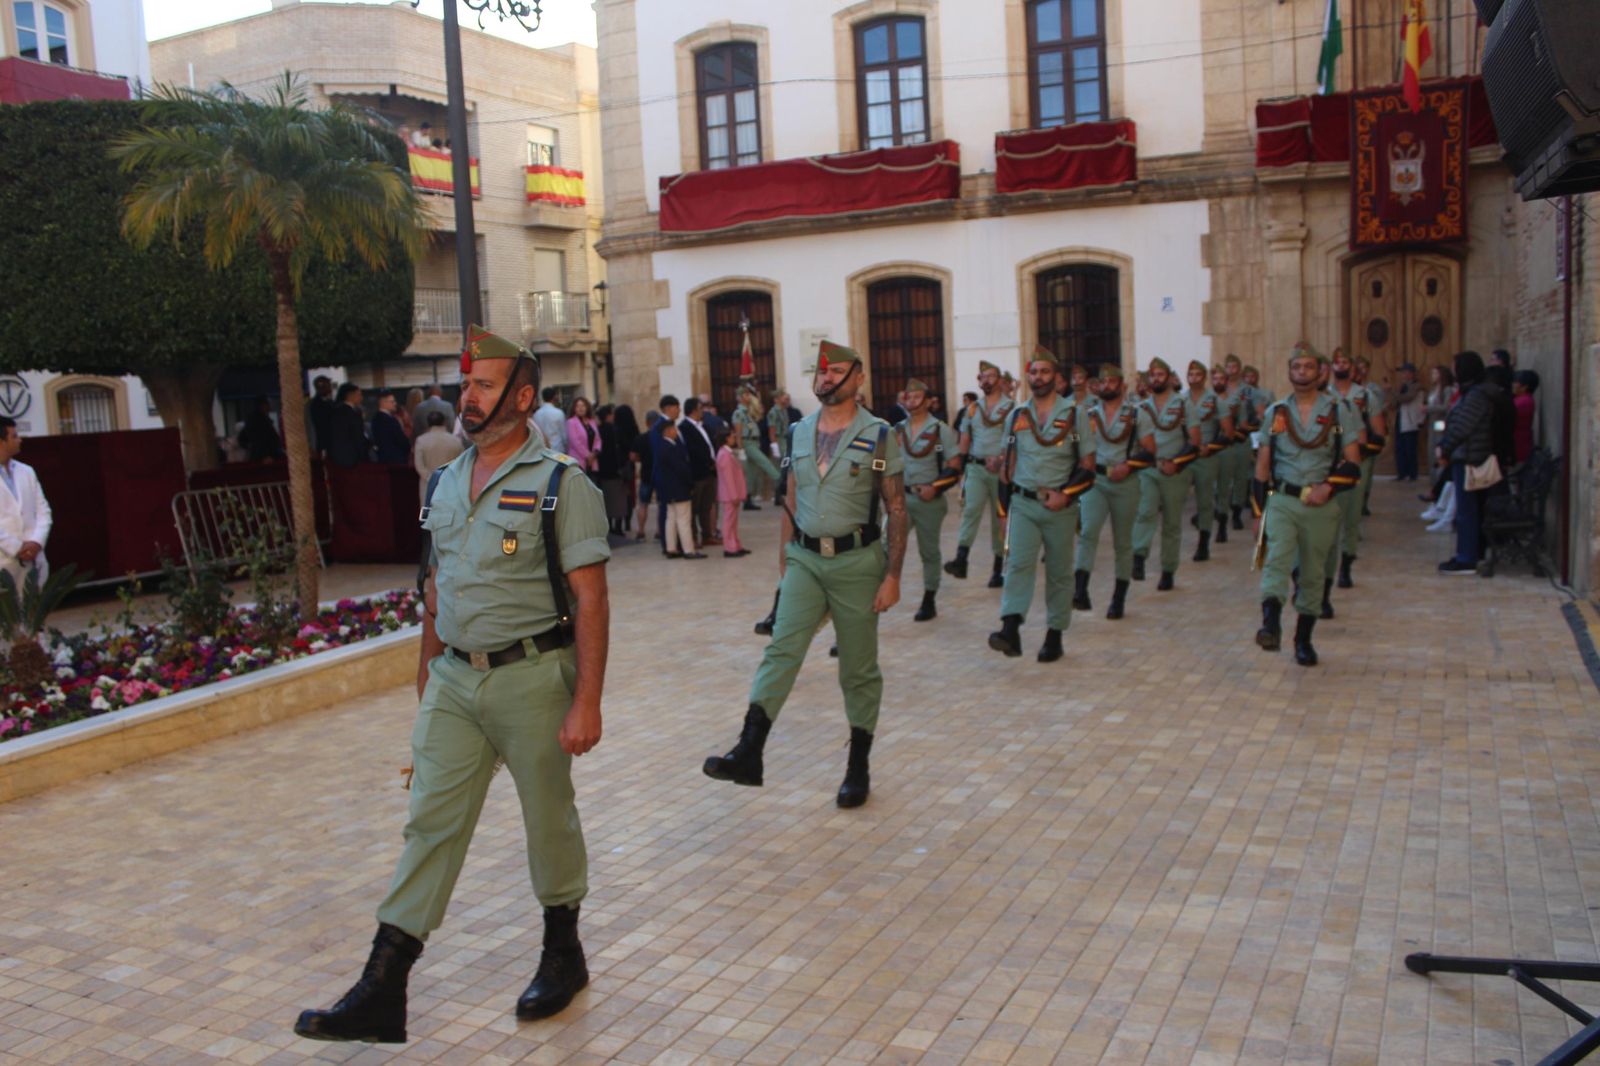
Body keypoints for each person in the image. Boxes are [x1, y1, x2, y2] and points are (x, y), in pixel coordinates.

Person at [294, 326, 610, 1043]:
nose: (468, 395)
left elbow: (591, 598)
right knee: (429, 823)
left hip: (533, 676)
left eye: (485, 384)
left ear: (523, 397)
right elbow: (435, 586)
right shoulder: (442, 481)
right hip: (454, 680)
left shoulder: (563, 484)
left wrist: (587, 700)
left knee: (546, 818)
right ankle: (383, 985)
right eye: (466, 383)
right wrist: (425, 679)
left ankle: (563, 953)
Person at [703, 340, 906, 809]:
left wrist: (893, 575)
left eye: (837, 371)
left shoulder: (879, 434)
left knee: (857, 669)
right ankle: (749, 750)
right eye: (821, 370)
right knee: (780, 649)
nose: (826, 377)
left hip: (859, 563)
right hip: (805, 561)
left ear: (858, 379)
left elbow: (896, 507)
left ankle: (858, 765)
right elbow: (791, 498)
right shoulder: (798, 432)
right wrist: (783, 562)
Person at [1250, 347, 1364, 667]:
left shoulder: (1340, 411)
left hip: (1320, 502)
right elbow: (1262, 466)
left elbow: (1353, 464)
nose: (1302, 372)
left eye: (1308, 366)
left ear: (1321, 372)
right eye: (1296, 366)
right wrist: (1259, 512)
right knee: (1277, 559)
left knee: (1313, 572)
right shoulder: (1276, 413)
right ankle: (1270, 624)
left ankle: (1303, 639)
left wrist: (1328, 486)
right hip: (1284, 498)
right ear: (1289, 372)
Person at [989, 347, 1094, 663]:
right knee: (1017, 564)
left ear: (1057, 378)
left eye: (1045, 372)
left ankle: (1055, 635)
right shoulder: (1016, 416)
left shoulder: (1075, 415)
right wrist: (1003, 511)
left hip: (1060, 507)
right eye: (1033, 372)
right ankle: (1011, 629)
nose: (1038, 378)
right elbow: (1008, 469)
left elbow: (1088, 467)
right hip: (1023, 502)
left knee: (1060, 573)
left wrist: (1066, 495)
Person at [1074, 365, 1142, 620]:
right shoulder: (1088, 415)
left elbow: (1150, 449)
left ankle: (1118, 597)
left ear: (1122, 386)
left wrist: (1129, 466)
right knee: (1088, 532)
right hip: (1096, 480)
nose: (1106, 386)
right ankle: (1080, 590)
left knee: (1123, 542)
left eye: (1112, 382)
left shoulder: (1136, 414)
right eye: (1102, 382)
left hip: (1125, 483)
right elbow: (1078, 447)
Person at [1130, 358, 1201, 589]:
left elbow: (1195, 441)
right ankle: (1138, 556)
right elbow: (1135, 442)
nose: (1156, 379)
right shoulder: (1141, 407)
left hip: (1175, 471)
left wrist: (1177, 463)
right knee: (1145, 511)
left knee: (1171, 523)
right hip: (1149, 470)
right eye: (1153, 375)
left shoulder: (1184, 405)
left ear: (1170, 378)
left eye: (1161, 375)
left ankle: (1168, 569)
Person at [895, 378, 960, 622]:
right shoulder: (897, 430)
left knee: (929, 551)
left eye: (916, 396)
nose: (911, 401)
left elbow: (954, 467)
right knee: (885, 546)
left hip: (929, 502)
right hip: (902, 499)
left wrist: (935, 487)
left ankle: (929, 599)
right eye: (908, 397)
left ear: (928, 400)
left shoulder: (940, 429)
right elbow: (885, 460)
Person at [945, 361, 1015, 588]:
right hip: (976, 467)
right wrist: (957, 469)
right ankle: (961, 558)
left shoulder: (1012, 408)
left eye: (991, 376)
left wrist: (1003, 460)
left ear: (1000, 380)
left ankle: (998, 570)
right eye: (983, 377)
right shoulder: (972, 409)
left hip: (1001, 471)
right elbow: (964, 440)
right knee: (970, 511)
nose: (986, 380)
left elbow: (1016, 441)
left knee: (1000, 518)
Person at [1435, 350, 1500, 575]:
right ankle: (1469, 553)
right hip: (1465, 455)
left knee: (1467, 510)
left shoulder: (1476, 396)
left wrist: (1445, 447)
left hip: (1470, 457)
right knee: (1467, 509)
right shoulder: (1472, 393)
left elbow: (1462, 425)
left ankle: (1467, 557)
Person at [1325, 348, 1385, 592]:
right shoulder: (1323, 395)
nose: (1340, 365)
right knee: (1328, 519)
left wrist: (1357, 455)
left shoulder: (1365, 395)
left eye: (1345, 361)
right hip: (1327, 463)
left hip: (1357, 459)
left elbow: (1378, 432)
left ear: (1352, 367)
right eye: (1336, 361)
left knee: (1351, 516)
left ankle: (1347, 563)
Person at [1181, 359, 1232, 563]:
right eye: (1190, 374)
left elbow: (1228, 432)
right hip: (1184, 455)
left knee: (1204, 500)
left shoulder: (1215, 401)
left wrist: (1210, 447)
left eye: (1197, 374)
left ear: (1204, 378)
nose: (1193, 378)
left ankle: (1203, 543)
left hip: (1205, 455)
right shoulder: (1180, 400)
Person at [0, 416, 51, 591]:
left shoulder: (26, 471)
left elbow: (43, 511)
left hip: (34, 558)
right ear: (2, 442)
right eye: (14, 436)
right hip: (5, 561)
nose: (19, 439)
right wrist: (16, 548)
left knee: (33, 614)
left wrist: (36, 542)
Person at [653, 419, 699, 558]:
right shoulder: (671, 448)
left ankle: (671, 548)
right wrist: (690, 484)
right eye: (674, 429)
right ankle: (688, 550)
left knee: (671, 519)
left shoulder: (661, 447)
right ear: (667, 431)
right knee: (684, 519)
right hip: (679, 489)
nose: (676, 431)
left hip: (668, 490)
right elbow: (681, 469)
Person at [1207, 363, 1242, 547]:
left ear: (1227, 381)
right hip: (1208, 449)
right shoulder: (1206, 400)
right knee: (1210, 488)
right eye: (1215, 379)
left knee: (1223, 487)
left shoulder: (1233, 400)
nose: (1218, 382)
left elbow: (1235, 423)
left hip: (1226, 448)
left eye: (1221, 379)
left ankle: (1222, 523)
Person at [679, 397, 719, 548]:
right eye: (700, 408)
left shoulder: (704, 426)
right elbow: (692, 451)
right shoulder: (684, 428)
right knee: (694, 508)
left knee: (706, 507)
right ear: (694, 410)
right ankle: (693, 538)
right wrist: (707, 462)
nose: (703, 411)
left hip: (709, 472)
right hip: (697, 473)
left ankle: (707, 535)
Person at [734, 385, 779, 510]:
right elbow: (738, 432)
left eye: (748, 394)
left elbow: (759, 411)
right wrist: (741, 449)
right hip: (747, 443)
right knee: (765, 462)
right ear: (739, 397)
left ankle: (748, 499)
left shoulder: (748, 412)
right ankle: (781, 481)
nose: (748, 397)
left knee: (751, 473)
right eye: (745, 395)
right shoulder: (739, 413)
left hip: (754, 442)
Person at [413, 410, 465, 505]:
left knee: (428, 514)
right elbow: (462, 463)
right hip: (451, 483)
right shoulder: (455, 441)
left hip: (428, 484)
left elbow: (419, 465)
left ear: (428, 423)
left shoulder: (421, 440)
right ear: (444, 422)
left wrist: (431, 478)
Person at [715, 425, 751, 557]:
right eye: (731, 436)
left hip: (732, 494)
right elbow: (728, 478)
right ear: (726, 439)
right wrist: (734, 495)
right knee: (729, 521)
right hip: (730, 495)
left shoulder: (728, 453)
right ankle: (729, 547)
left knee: (733, 521)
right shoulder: (724, 455)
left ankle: (735, 544)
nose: (734, 438)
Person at [326, 383, 370, 468]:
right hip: (351, 458)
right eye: (359, 395)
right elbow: (356, 436)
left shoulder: (338, 411)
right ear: (350, 395)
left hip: (343, 457)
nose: (361, 398)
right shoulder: (348, 413)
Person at [1392, 363, 1425, 481]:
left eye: (1405, 372)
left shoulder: (1417, 386)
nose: (1403, 375)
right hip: (1400, 420)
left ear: (1411, 373)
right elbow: (1395, 402)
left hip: (1411, 421)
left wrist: (1392, 392)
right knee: (1400, 448)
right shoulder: (1402, 386)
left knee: (1410, 449)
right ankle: (1402, 473)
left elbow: (1407, 398)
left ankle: (1412, 474)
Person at [631, 410, 657, 542]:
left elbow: (633, 457)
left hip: (646, 474)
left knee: (643, 504)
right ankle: (659, 530)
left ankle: (641, 530)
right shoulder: (661, 438)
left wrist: (641, 459)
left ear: (647, 423)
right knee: (661, 503)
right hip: (659, 474)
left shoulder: (640, 438)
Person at [239, 396, 284, 463]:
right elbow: (260, 439)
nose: (269, 406)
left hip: (264, 455)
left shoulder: (259, 419)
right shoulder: (258, 421)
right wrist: (264, 455)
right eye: (268, 404)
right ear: (263, 405)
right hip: (265, 457)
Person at [565, 396, 601, 478]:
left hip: (593, 461)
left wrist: (594, 454)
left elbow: (598, 440)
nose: (581, 408)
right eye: (578, 406)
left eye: (583, 406)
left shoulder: (592, 421)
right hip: (579, 460)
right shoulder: (571, 422)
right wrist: (588, 456)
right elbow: (575, 442)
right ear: (574, 409)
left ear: (587, 407)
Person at [372, 391, 411, 465]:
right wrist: (407, 447)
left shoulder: (376, 419)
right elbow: (399, 439)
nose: (395, 404)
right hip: (395, 460)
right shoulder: (389, 420)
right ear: (383, 403)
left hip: (384, 459)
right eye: (392, 402)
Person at [1511, 370, 1539, 464]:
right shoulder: (1522, 399)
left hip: (1518, 445)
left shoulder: (1524, 402)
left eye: (1516, 382)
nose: (1513, 384)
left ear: (1524, 386)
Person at [306, 375, 337, 456]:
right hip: (321, 444)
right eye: (328, 385)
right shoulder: (314, 404)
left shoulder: (331, 402)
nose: (330, 388)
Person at [534, 387, 568, 454]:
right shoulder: (559, 413)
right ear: (554, 397)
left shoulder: (536, 414)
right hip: (558, 448)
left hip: (542, 449)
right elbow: (563, 434)